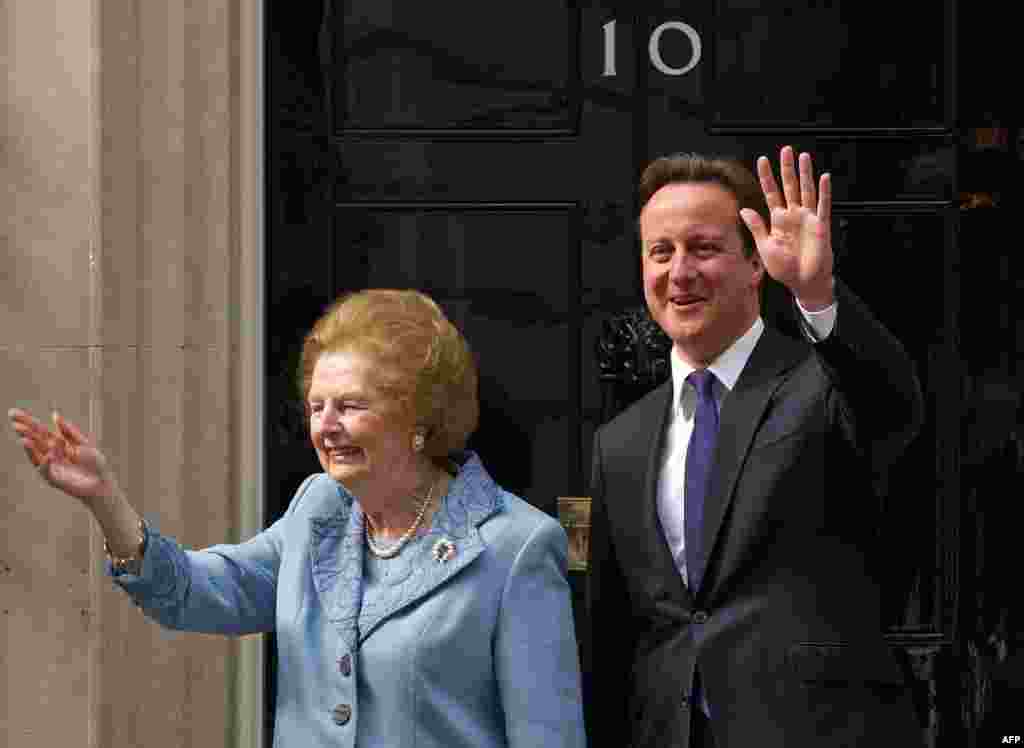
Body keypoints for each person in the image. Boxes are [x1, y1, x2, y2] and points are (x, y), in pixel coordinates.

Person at [9, 289, 587, 748]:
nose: (325, 426)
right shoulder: (320, 512)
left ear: (418, 417)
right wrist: (106, 500)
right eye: (316, 407)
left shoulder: (514, 547)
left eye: (351, 406)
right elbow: (192, 592)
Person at [584, 146, 925, 747]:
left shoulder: (820, 386)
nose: (679, 272)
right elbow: (617, 630)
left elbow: (892, 406)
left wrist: (819, 296)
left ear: (754, 265)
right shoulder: (620, 441)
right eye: (660, 251)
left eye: (704, 248)